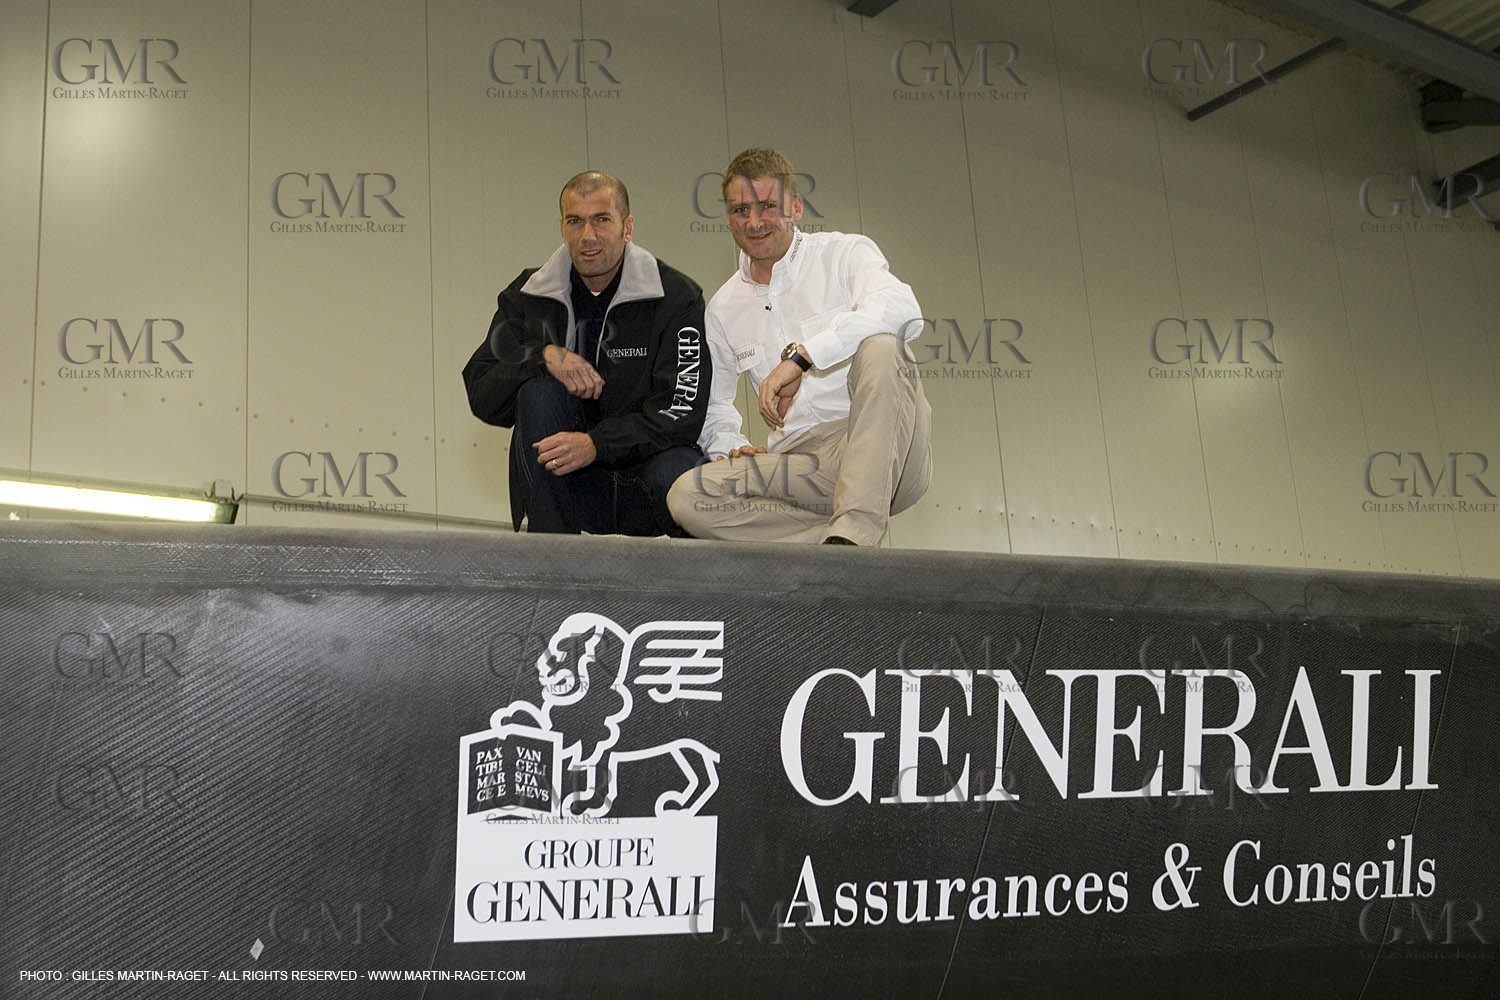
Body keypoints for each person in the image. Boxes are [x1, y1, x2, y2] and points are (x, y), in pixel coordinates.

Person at [667, 148, 931, 545]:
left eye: (768, 206)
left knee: (882, 348)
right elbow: (715, 403)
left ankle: (852, 541)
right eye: (740, 210)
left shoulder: (844, 254)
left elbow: (903, 310)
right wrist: (732, 446)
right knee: (688, 495)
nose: (754, 222)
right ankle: (832, 540)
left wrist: (804, 357)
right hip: (802, 467)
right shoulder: (723, 308)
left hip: (880, 446)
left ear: (796, 207)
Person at [463, 171, 710, 534]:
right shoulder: (528, 296)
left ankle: (695, 587)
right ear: (562, 227)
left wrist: (598, 444)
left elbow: (683, 410)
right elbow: (482, 393)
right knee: (539, 390)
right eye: (575, 222)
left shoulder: (676, 296)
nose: (587, 236)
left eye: (601, 220)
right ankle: (550, 565)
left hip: (648, 475)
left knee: (683, 475)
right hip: (567, 487)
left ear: (627, 227)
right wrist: (541, 356)